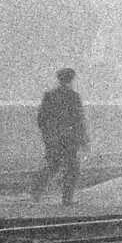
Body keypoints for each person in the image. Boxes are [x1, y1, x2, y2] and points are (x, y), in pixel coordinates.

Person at [32, 67, 90, 205]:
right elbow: (78, 119)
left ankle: (36, 193)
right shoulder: (73, 96)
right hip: (69, 139)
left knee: (52, 166)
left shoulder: (49, 95)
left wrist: (47, 135)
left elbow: (41, 118)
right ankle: (66, 199)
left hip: (54, 138)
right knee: (72, 169)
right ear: (71, 79)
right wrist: (83, 139)